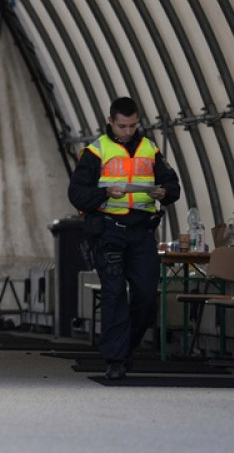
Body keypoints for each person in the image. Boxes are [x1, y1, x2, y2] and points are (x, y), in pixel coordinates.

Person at [68, 96, 180, 380]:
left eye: (132, 125)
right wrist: (106, 193)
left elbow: (173, 184)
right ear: (110, 122)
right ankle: (115, 360)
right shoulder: (95, 152)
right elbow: (77, 194)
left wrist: (164, 192)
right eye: (122, 126)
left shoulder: (150, 150)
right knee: (114, 294)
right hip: (109, 231)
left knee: (145, 297)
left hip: (142, 232)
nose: (128, 131)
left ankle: (124, 347)